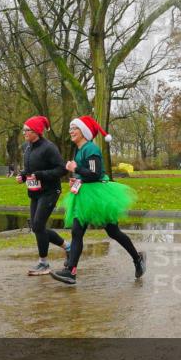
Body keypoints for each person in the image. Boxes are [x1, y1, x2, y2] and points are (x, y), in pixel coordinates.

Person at [50, 116, 146, 285]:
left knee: (113, 231)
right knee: (77, 231)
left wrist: (76, 168)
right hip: (84, 194)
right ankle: (71, 271)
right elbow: (86, 174)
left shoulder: (91, 149)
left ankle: (137, 258)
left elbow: (95, 174)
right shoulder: (79, 150)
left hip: (98, 196)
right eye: (70, 128)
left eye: (75, 128)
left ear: (84, 132)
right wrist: (77, 178)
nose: (71, 131)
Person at [16, 115, 70, 275]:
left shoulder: (49, 148)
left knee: (38, 225)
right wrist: (23, 176)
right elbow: (30, 169)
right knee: (36, 227)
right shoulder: (27, 147)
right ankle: (68, 247)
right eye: (24, 129)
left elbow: (62, 169)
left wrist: (41, 174)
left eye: (27, 130)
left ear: (37, 132)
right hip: (35, 192)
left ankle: (44, 263)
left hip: (50, 191)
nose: (24, 132)